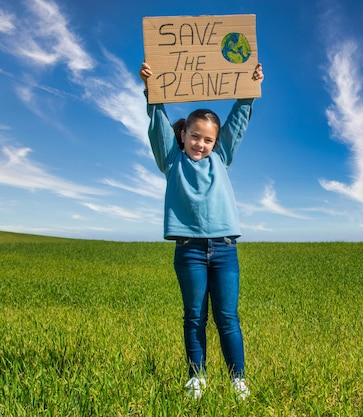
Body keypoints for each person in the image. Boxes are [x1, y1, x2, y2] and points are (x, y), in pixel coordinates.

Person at [138, 61, 264, 400]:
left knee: (227, 317)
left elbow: (237, 122)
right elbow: (157, 123)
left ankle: (238, 379)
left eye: (208, 139)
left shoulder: (221, 157)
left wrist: (248, 93)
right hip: (189, 250)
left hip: (224, 249)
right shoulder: (172, 160)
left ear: (215, 142)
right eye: (195, 136)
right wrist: (152, 91)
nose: (201, 144)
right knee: (194, 316)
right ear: (183, 135)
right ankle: (197, 377)